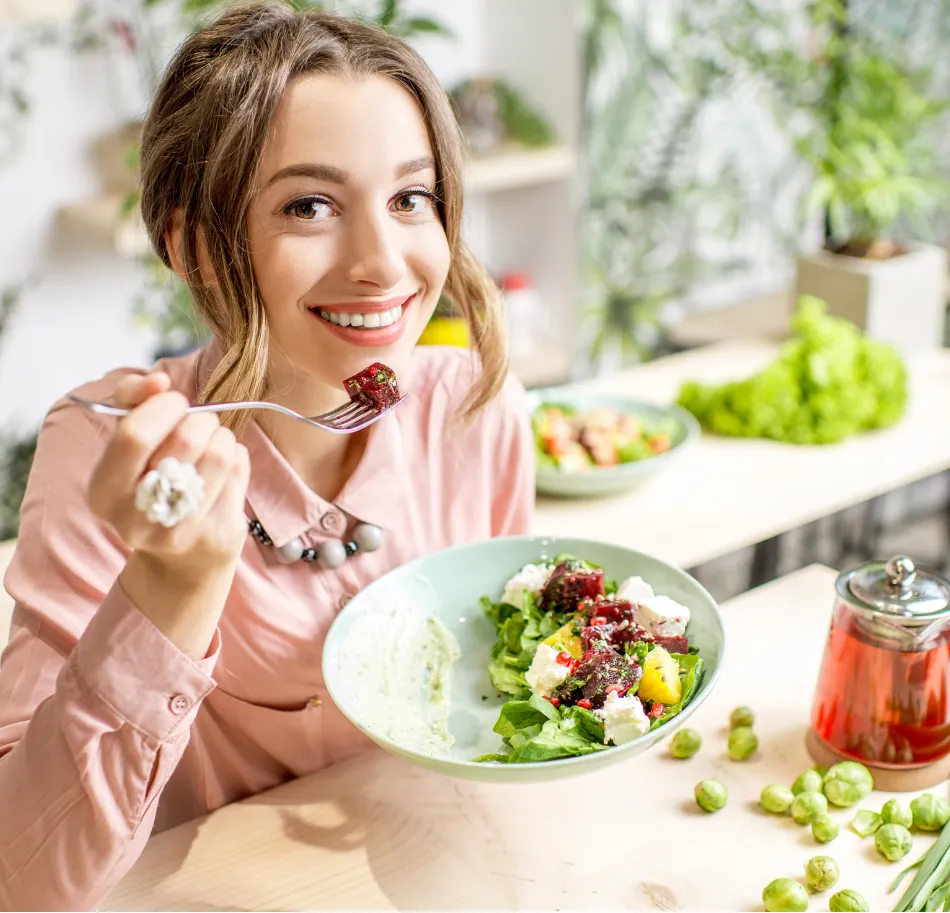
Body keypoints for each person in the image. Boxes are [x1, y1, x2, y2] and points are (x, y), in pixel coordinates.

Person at [0, 3, 534, 907]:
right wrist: (171, 589)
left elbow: (501, 700)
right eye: (310, 205)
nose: (383, 263)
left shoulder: (471, 408)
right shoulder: (111, 456)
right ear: (192, 244)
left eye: (412, 198)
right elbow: (21, 875)